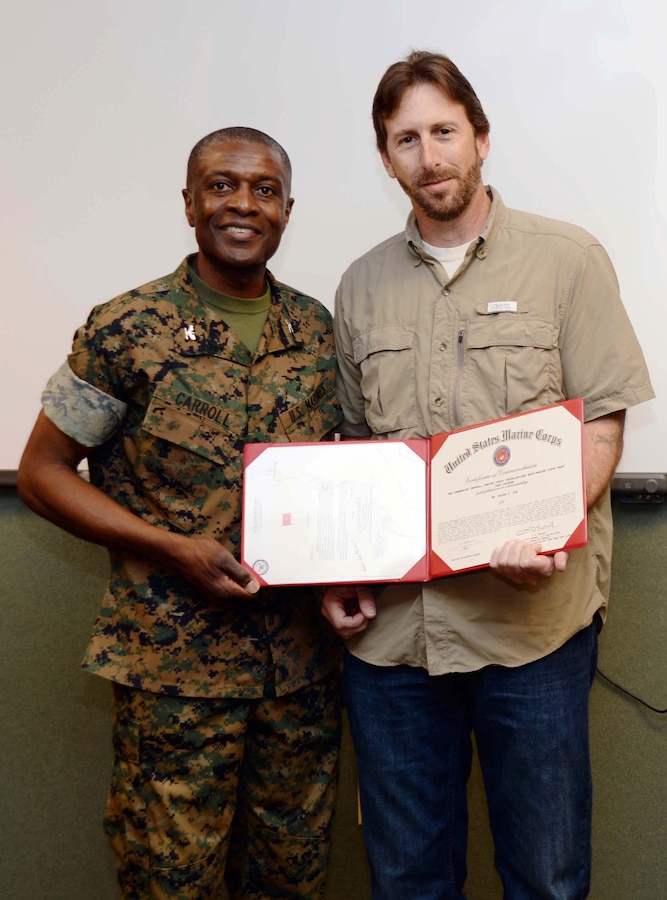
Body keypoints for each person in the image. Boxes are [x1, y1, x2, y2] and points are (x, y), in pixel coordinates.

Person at [321, 51, 654, 900]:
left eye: (443, 132)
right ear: (384, 156)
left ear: (480, 139)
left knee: (543, 877)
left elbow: (600, 423)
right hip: (395, 642)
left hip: (528, 631)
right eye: (406, 139)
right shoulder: (359, 287)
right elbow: (359, 453)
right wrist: (349, 574)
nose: (429, 157)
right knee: (405, 878)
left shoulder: (567, 259)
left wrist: (544, 526)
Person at [18, 126, 343, 900]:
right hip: (173, 677)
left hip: (297, 675)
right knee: (170, 883)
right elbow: (41, 473)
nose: (242, 203)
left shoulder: (317, 332)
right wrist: (171, 548)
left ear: (287, 211)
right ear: (190, 202)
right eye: (222, 184)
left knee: (289, 881)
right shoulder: (126, 328)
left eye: (263, 189)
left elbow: (341, 476)